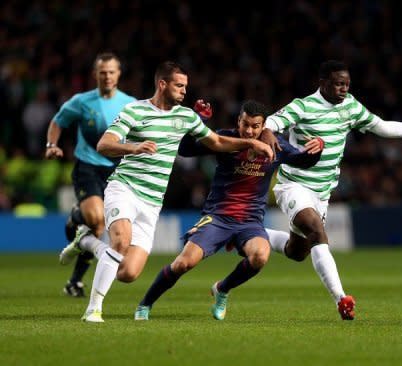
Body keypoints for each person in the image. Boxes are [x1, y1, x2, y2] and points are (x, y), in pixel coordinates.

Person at [58, 61, 274, 322]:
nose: (184, 91)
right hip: (124, 187)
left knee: (128, 273)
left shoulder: (185, 117)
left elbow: (216, 142)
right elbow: (105, 144)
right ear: (162, 84)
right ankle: (93, 309)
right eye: (179, 86)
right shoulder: (134, 110)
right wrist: (134, 148)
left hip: (151, 202)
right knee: (120, 241)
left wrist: (250, 142)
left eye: (186, 86)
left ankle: (86, 240)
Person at [259, 60, 402, 320]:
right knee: (318, 230)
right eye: (338, 83)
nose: (343, 88)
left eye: (347, 84)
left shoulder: (350, 106)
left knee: (298, 252)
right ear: (323, 83)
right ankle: (342, 299)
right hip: (294, 184)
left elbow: (382, 127)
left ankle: (248, 232)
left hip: (322, 192)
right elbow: (273, 120)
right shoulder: (304, 105)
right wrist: (269, 131)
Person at [133, 100, 323, 321]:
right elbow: (185, 150)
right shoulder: (225, 139)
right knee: (184, 263)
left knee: (260, 256)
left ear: (264, 127)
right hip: (218, 217)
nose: (249, 130)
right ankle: (145, 304)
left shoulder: (275, 145)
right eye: (245, 124)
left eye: (255, 126)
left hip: (250, 221)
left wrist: (317, 147)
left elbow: (303, 160)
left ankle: (223, 289)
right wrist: (201, 119)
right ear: (238, 121)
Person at [46, 52, 136, 297]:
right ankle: (78, 214)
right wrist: (51, 145)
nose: (107, 76)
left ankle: (74, 282)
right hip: (88, 166)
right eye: (102, 72)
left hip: (118, 170)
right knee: (95, 220)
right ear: (95, 74)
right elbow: (57, 122)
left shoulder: (131, 104)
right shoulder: (81, 101)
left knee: (95, 231)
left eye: (111, 72)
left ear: (118, 74)